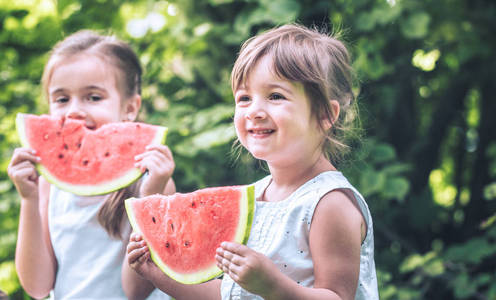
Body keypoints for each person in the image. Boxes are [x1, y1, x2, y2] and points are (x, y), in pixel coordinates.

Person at [126, 23, 379, 300]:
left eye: (275, 96)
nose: (254, 111)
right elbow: (227, 294)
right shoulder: (255, 196)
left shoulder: (329, 203)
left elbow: (337, 296)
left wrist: (273, 286)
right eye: (244, 98)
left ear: (325, 115)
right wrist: (158, 273)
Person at [7, 30, 176, 300]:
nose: (74, 110)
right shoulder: (50, 185)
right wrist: (29, 198)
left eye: (93, 97)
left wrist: (151, 195)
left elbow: (136, 290)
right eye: (62, 99)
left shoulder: (152, 180)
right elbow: (37, 287)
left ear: (130, 108)